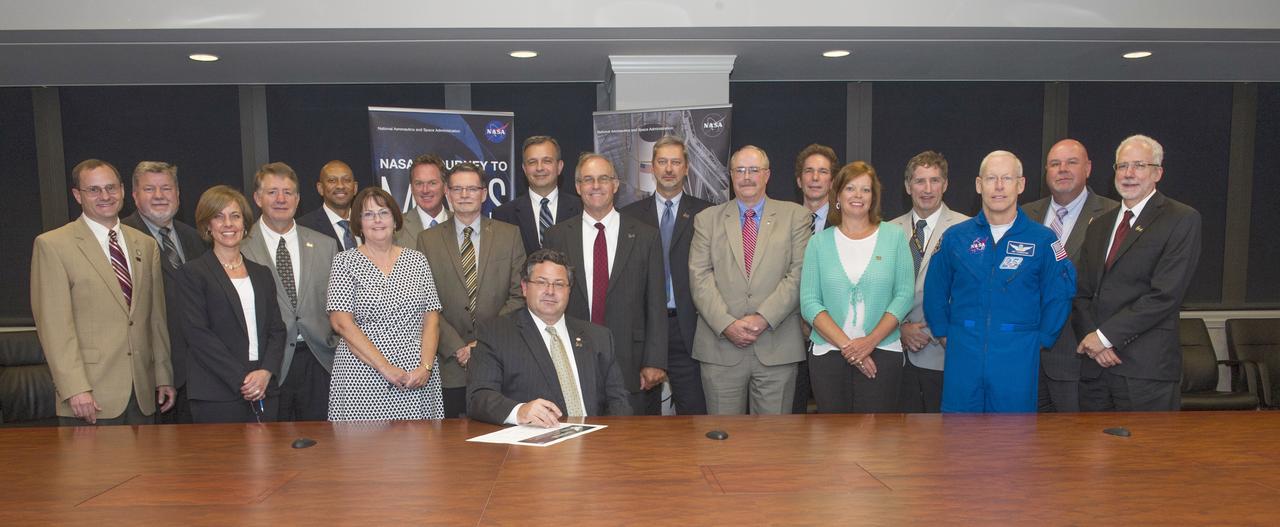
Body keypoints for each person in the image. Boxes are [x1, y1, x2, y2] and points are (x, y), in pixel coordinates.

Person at [923, 150, 1075, 413]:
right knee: (959, 436)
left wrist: (1040, 339)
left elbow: (1059, 294)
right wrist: (944, 332)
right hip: (964, 353)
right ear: (979, 185)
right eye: (991, 178)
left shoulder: (1042, 240)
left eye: (1007, 178)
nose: (999, 186)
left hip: (1017, 354)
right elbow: (935, 290)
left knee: (1012, 440)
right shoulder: (956, 238)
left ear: (1021, 184)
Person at [31, 159, 175, 425]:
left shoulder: (145, 244)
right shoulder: (53, 245)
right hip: (90, 397)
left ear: (122, 190)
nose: (105, 196)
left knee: (147, 467)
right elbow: (54, 327)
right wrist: (75, 388)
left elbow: (155, 319)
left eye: (111, 188)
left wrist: (163, 375)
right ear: (77, 195)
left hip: (142, 393)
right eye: (94, 190)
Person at [1074, 135, 1202, 412]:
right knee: (1089, 454)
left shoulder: (1181, 219)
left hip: (1145, 371)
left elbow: (1165, 295)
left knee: (1148, 455)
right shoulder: (1099, 225)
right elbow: (1082, 293)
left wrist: (1105, 337)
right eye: (1122, 166)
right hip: (1095, 369)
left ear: (1157, 173)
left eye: (1139, 166)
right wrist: (1095, 341)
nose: (1128, 174)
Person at [689, 145, 811, 415]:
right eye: (739, 170)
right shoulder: (707, 220)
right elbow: (700, 276)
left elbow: (800, 273)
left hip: (776, 346)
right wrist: (727, 324)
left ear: (767, 175)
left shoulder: (795, 217)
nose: (746, 177)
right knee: (722, 441)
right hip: (720, 347)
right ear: (731, 175)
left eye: (754, 170)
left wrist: (762, 318)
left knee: (771, 444)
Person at [543, 153, 667, 414]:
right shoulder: (557, 236)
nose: (595, 185)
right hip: (572, 360)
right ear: (577, 187)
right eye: (588, 179)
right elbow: (548, 302)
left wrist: (654, 361)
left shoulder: (645, 236)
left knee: (629, 446)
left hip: (630, 363)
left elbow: (656, 303)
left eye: (603, 179)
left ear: (615, 184)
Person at [467, 248, 632, 427]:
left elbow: (619, 403)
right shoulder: (496, 333)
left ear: (569, 290)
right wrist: (519, 411)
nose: (550, 291)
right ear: (524, 287)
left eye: (559, 284)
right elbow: (479, 397)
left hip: (594, 444)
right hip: (534, 446)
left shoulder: (598, 337)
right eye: (541, 282)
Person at [800, 161, 913, 413]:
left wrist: (869, 342)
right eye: (851, 188)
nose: (858, 196)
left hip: (882, 351)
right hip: (829, 354)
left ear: (874, 197)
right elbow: (809, 302)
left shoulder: (894, 237)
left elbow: (904, 295)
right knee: (833, 439)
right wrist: (850, 348)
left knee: (877, 442)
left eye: (866, 190)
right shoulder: (819, 243)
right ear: (837, 195)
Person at [417, 162, 526, 417]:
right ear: (447, 193)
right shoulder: (427, 240)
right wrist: (458, 347)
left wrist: (482, 342)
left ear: (484, 193)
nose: (464, 195)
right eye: (457, 189)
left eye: (472, 188)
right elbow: (425, 301)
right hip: (449, 364)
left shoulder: (509, 235)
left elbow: (519, 294)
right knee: (450, 447)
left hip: (498, 358)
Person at [326, 187, 445, 421]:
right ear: (358, 223)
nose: (377, 220)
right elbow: (341, 323)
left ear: (395, 219)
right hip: (363, 375)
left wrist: (426, 367)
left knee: (418, 452)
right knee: (365, 453)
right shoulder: (344, 262)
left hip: (416, 377)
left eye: (383, 212)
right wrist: (385, 368)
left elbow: (431, 318)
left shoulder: (417, 260)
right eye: (368, 214)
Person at [1022, 139, 1117, 412]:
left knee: (1072, 447)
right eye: (1055, 164)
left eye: (1071, 162)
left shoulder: (1112, 215)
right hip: (1026, 356)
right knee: (1027, 444)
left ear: (1088, 168)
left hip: (1080, 356)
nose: (1062, 169)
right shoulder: (1024, 215)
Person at [620, 135, 713, 415]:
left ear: (686, 168)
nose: (669, 169)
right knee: (642, 420)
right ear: (652, 168)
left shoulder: (706, 214)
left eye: (676, 162)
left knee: (694, 416)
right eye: (662, 162)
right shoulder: (629, 216)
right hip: (644, 330)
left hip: (689, 329)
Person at [177, 186, 285, 423]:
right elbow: (198, 335)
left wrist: (266, 372)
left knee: (270, 460)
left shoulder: (262, 274)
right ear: (207, 225)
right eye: (219, 216)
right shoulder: (193, 273)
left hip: (264, 388)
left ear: (245, 224)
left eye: (235, 216)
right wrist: (243, 380)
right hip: (217, 393)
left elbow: (277, 330)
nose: (228, 224)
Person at [242, 162, 340, 421]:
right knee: (274, 453)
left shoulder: (325, 246)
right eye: (272, 192)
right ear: (257, 198)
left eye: (288, 192)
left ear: (298, 199)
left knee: (326, 449)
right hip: (270, 366)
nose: (281, 199)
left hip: (320, 362)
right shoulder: (241, 248)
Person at [121, 161, 207, 423]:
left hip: (196, 373)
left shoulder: (196, 238)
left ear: (178, 195)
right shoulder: (122, 239)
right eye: (149, 189)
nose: (159, 196)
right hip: (149, 375)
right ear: (135, 196)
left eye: (166, 188)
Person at [889, 151, 969, 413]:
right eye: (919, 181)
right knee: (900, 443)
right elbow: (876, 291)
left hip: (943, 354)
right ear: (907, 186)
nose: (927, 189)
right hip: (895, 356)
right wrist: (899, 329)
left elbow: (969, 294)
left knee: (942, 441)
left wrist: (934, 330)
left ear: (945, 185)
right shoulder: (887, 231)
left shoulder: (967, 230)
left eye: (934, 181)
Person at [792, 143, 839, 414]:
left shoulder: (847, 223)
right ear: (799, 180)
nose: (815, 178)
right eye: (809, 171)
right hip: (789, 336)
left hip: (832, 335)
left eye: (822, 172)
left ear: (832, 180)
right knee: (792, 418)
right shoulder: (781, 221)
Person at [492, 136, 583, 254]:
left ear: (559, 167)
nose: (539, 168)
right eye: (532, 162)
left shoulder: (581, 209)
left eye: (547, 161)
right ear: (524, 169)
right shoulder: (503, 215)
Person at [298, 160, 360, 250]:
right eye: (332, 180)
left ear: (355, 188)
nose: (340, 186)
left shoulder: (369, 223)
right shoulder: (303, 227)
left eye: (346, 180)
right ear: (320, 188)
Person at [394, 154, 450, 247]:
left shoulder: (461, 224)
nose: (425, 190)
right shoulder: (396, 228)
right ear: (412, 188)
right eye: (419, 183)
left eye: (432, 183)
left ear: (445, 187)